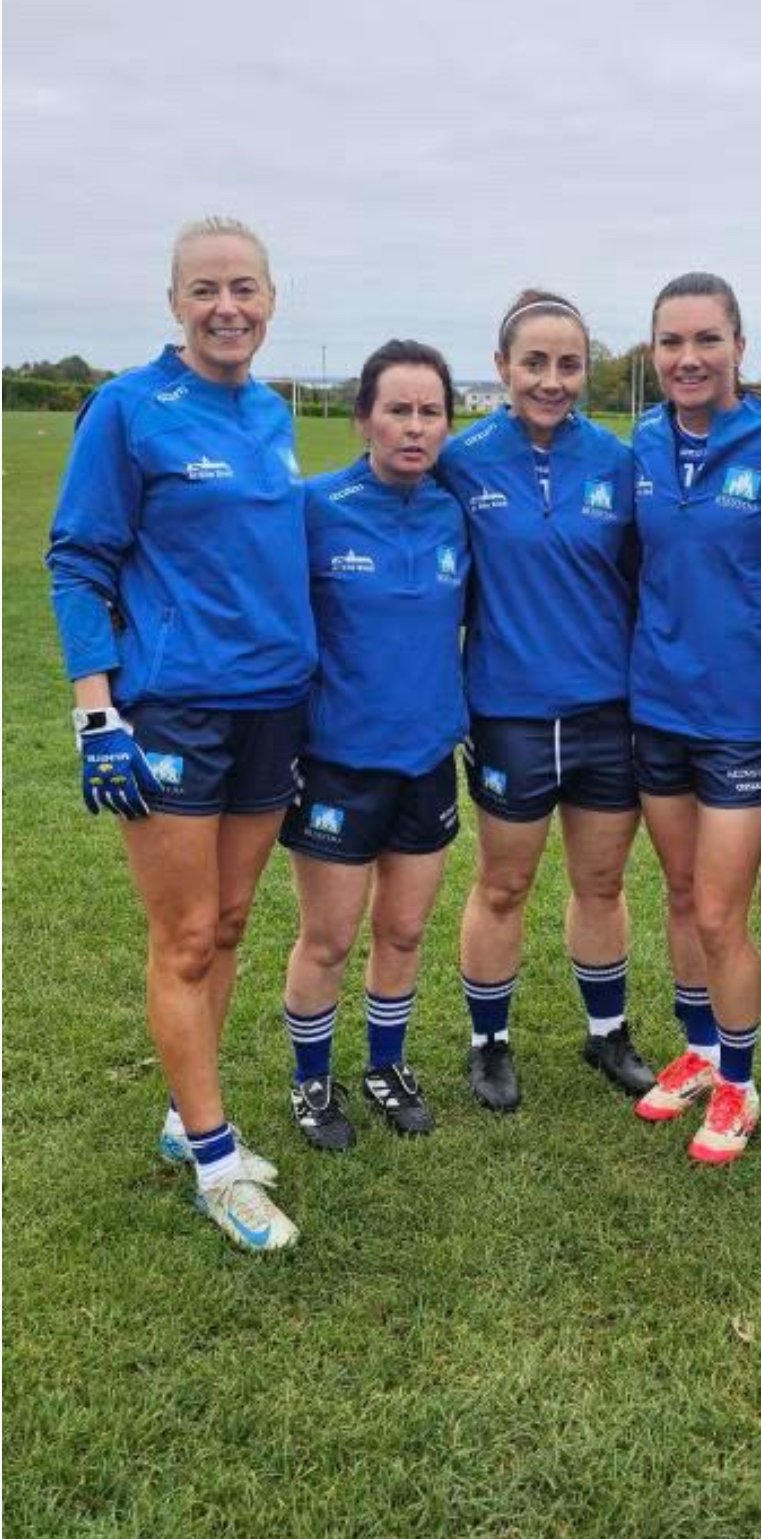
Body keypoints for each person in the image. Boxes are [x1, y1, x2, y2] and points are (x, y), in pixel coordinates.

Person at [47, 216, 316, 1252]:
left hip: (272, 707)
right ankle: (214, 1161)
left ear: (271, 299)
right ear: (174, 302)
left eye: (244, 288)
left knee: (234, 920)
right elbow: (79, 560)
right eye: (205, 289)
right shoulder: (128, 408)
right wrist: (97, 712)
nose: (226, 307)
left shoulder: (271, 412)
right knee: (187, 934)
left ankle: (182, 1114)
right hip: (173, 713)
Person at [437, 288, 651, 1111]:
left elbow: (643, 576)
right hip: (510, 714)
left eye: (569, 364)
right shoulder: (461, 460)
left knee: (601, 883)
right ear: (502, 367)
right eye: (534, 363)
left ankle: (607, 1031)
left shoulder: (617, 461)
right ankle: (489, 1042)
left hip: (606, 712)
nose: (552, 381)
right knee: (504, 884)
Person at [629, 274, 761, 1164]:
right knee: (679, 895)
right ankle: (702, 1051)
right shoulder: (640, 442)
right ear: (654, 351)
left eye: (707, 339)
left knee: (718, 910)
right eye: (672, 341)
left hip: (743, 715)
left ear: (740, 346)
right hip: (655, 706)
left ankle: (740, 1081)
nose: (689, 357)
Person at [279, 341, 470, 1148]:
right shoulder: (315, 508)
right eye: (398, 409)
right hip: (336, 767)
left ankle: (385, 1066)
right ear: (363, 418)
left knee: (404, 931)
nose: (414, 427)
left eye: (431, 412)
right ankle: (310, 1081)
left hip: (426, 762)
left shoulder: (454, 512)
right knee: (328, 938)